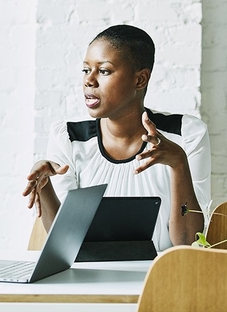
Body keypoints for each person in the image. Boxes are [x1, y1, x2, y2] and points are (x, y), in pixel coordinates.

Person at [22, 25, 211, 251]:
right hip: (89, 282)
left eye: (104, 71)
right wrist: (45, 188)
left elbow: (188, 241)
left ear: (140, 80)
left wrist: (178, 163)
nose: (89, 81)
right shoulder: (69, 138)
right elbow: (66, 244)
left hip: (162, 279)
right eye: (85, 70)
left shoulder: (186, 134)